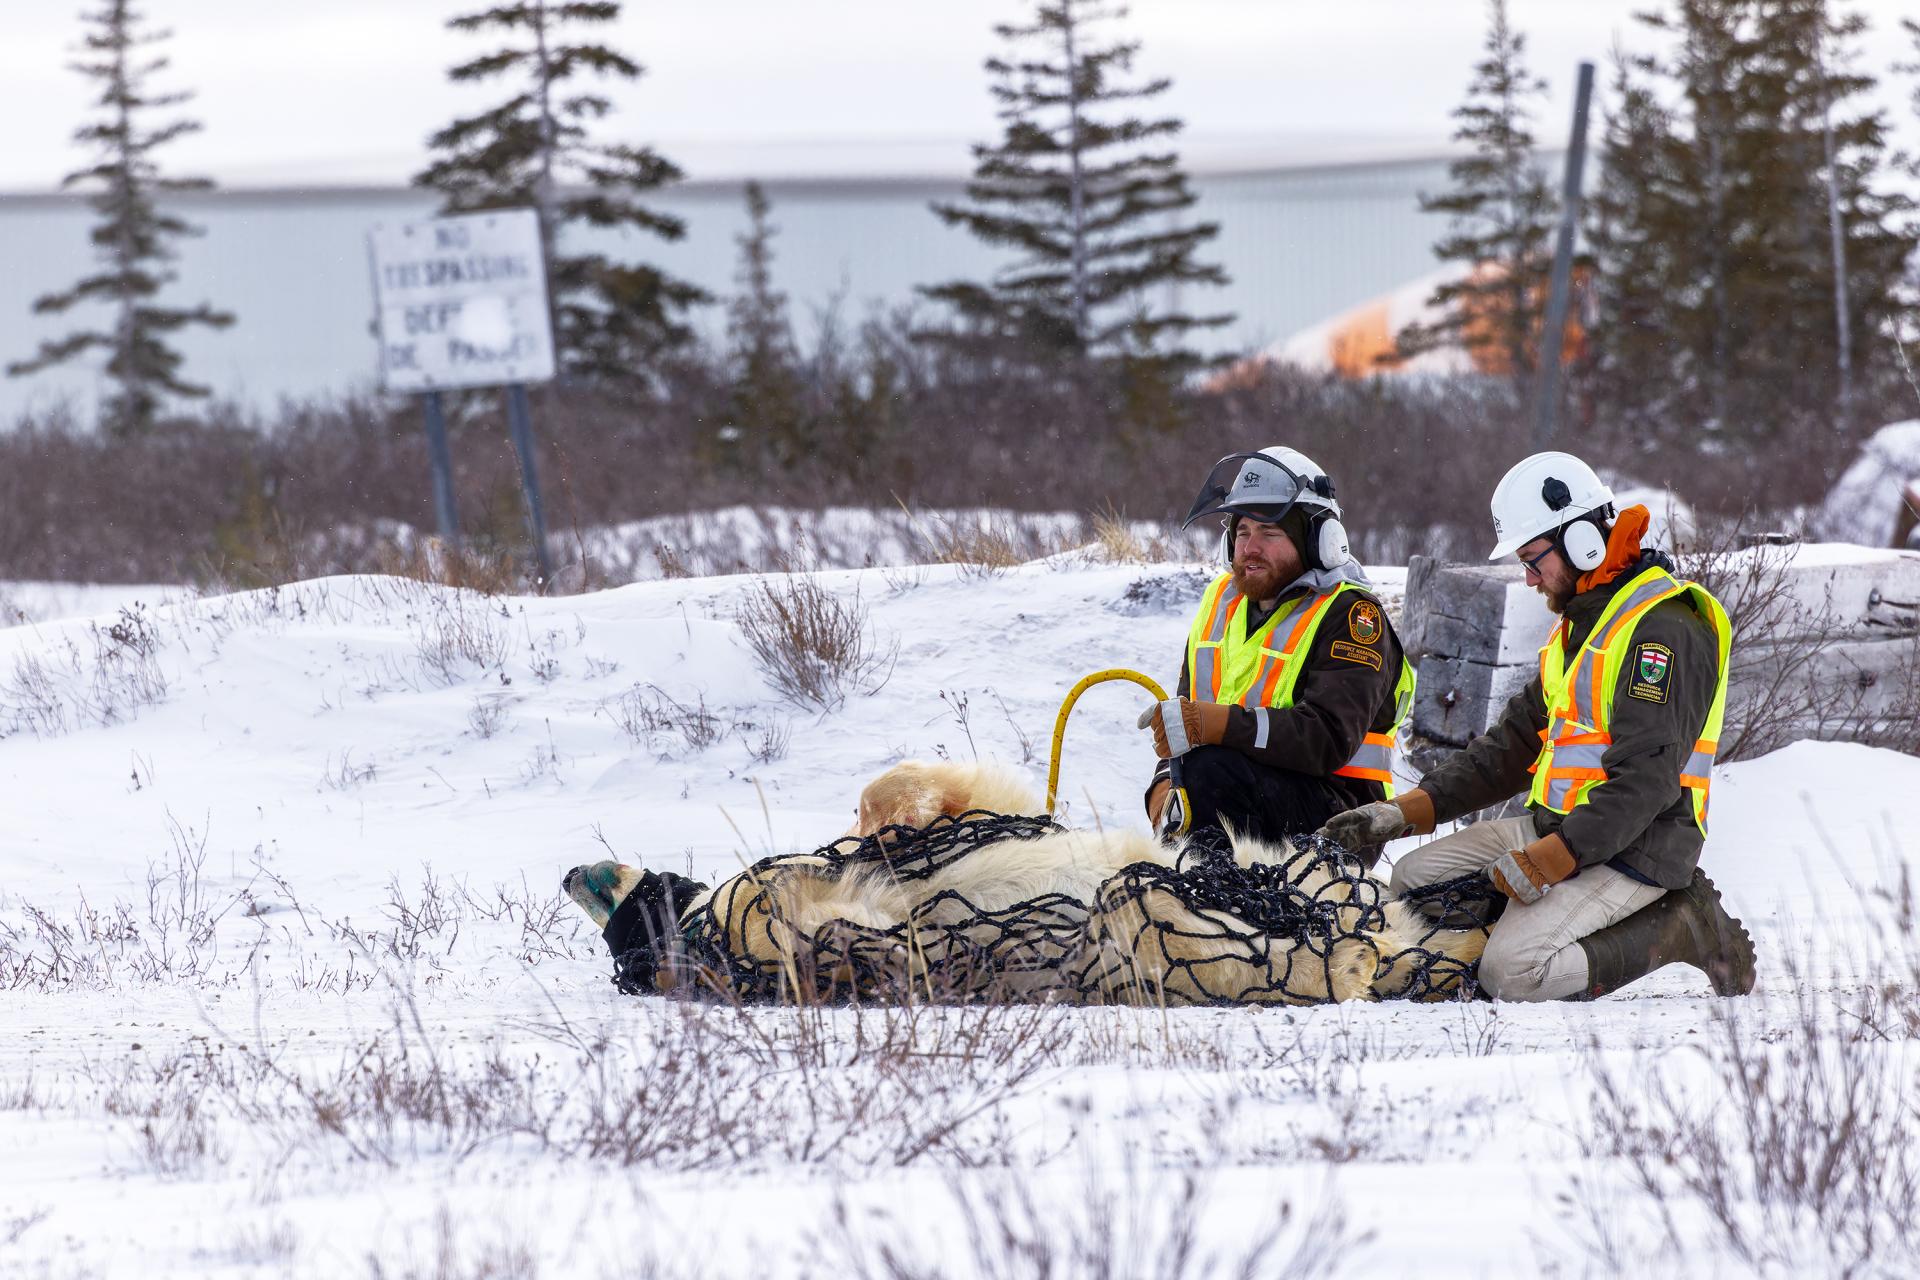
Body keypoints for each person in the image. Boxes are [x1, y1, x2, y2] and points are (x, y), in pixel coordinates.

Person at [1319, 451, 1755, 1001]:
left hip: (1639, 847)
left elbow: (1646, 781)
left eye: (1532, 560)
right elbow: (1509, 750)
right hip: (1556, 829)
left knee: (1512, 973)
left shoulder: (1662, 628)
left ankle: (1680, 923)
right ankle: (1535, 915)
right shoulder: (1583, 626)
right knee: (1412, 882)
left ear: (1582, 543)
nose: (1528, 579)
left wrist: (1552, 860)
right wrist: (1404, 813)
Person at [1138, 447, 1415, 857]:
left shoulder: (1352, 616)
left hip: (1339, 822)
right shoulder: (1220, 602)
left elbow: (1326, 739)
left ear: (1318, 542)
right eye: (1243, 532)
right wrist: (1165, 782)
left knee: (1212, 769)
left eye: (1270, 534)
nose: (1250, 548)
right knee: (1201, 775)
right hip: (1238, 792)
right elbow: (1185, 719)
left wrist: (1219, 726)